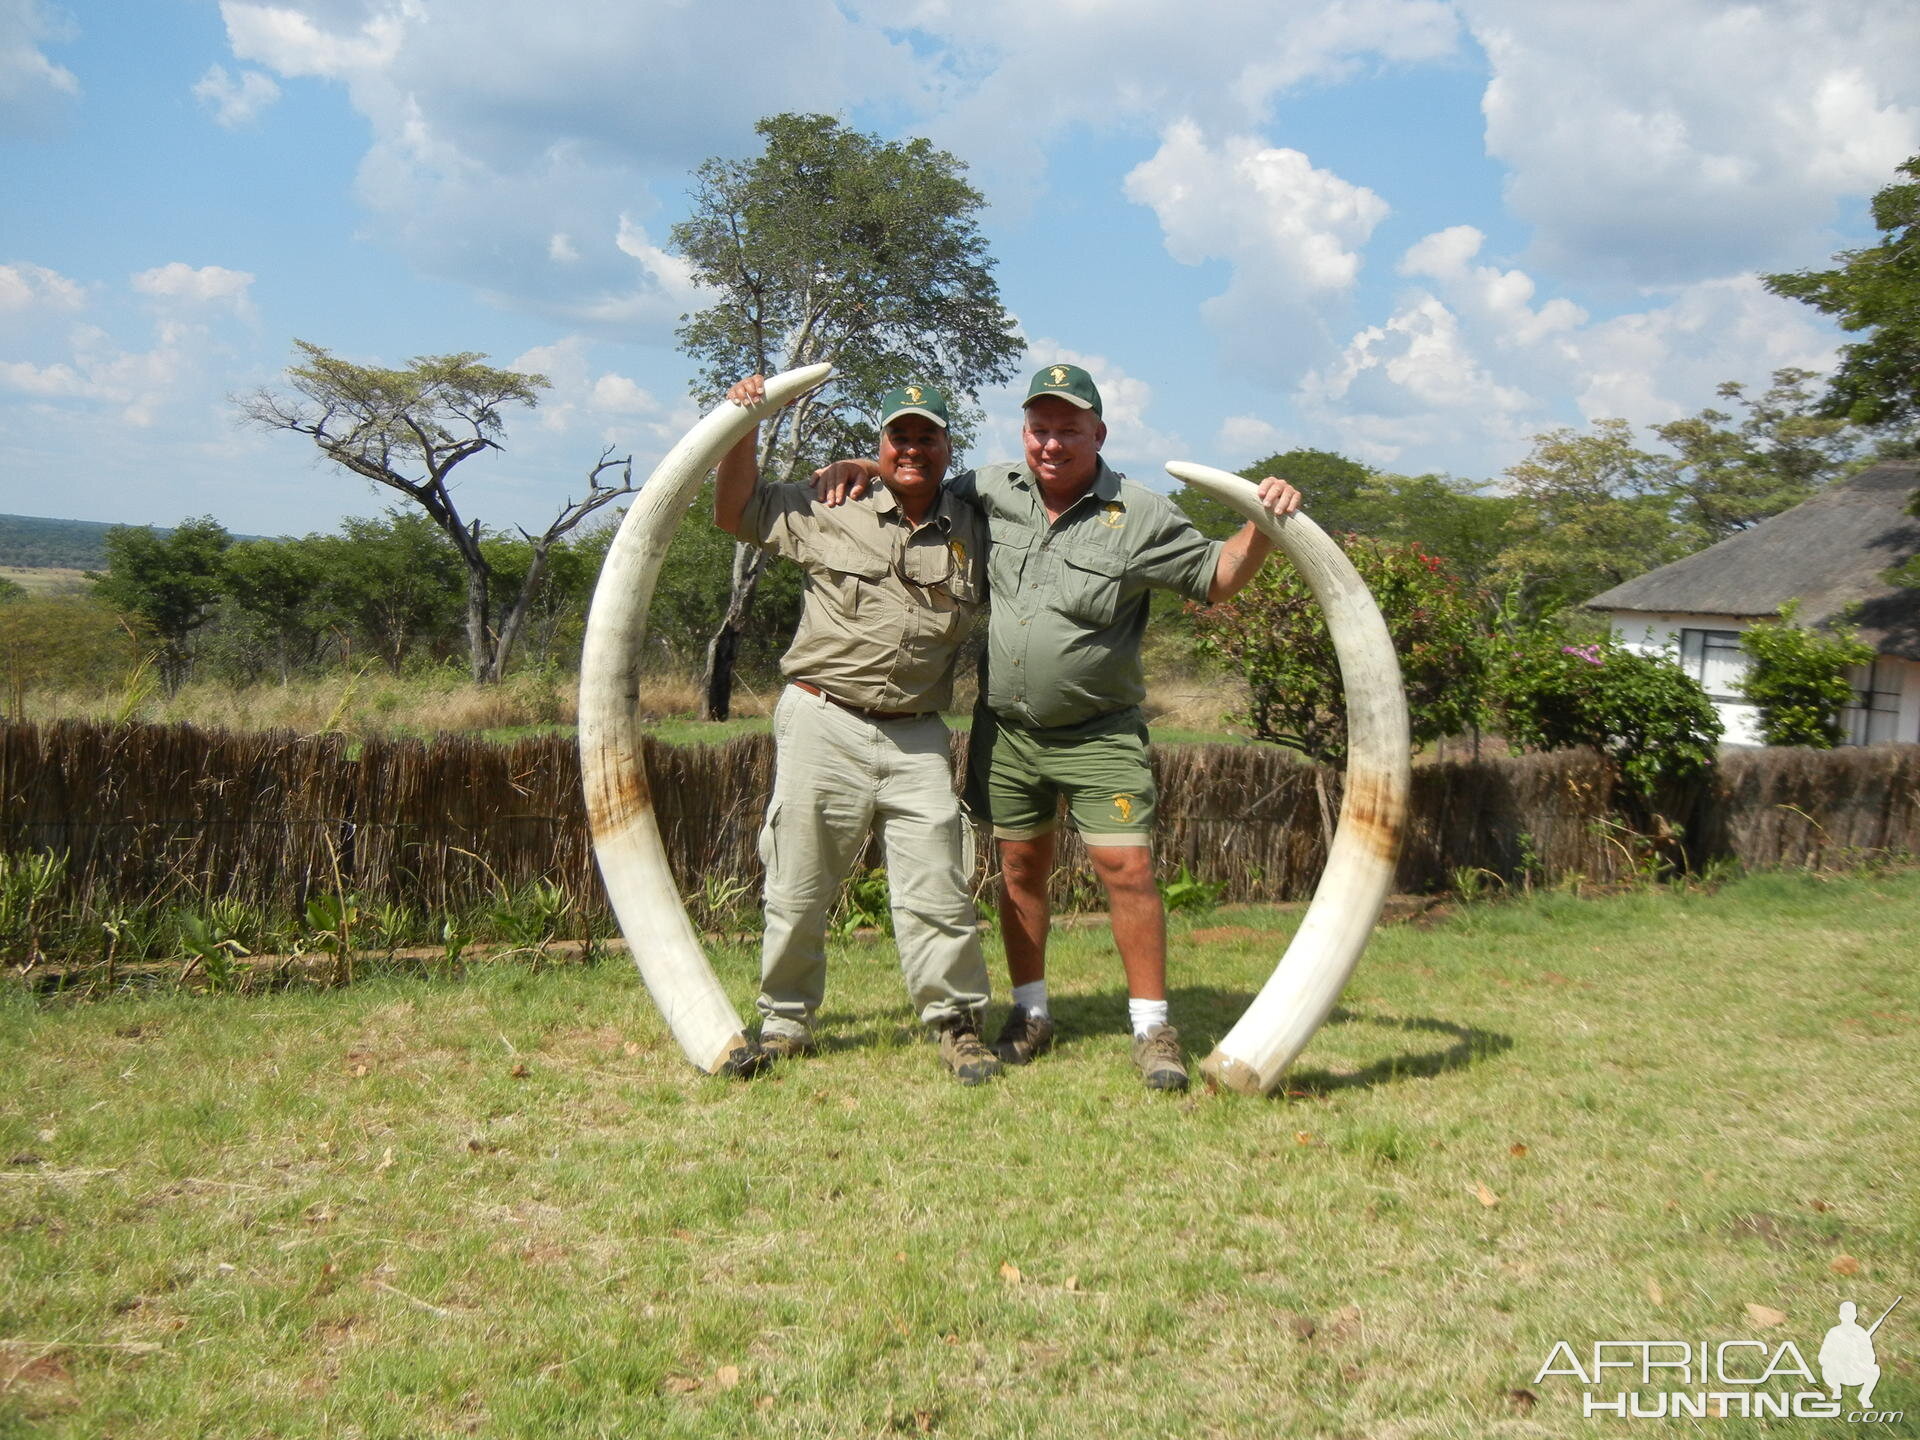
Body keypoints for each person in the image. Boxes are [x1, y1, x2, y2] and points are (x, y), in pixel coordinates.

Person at [817, 362, 1300, 1090]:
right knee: (1019, 871)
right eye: (1040, 428)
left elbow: (1218, 577)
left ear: (1098, 433)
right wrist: (862, 464)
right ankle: (1031, 1012)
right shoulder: (991, 490)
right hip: (1008, 732)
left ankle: (1152, 1028)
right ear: (1025, 433)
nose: (1051, 443)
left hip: (1101, 733)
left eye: (1068, 429)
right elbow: (915, 474)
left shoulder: (1139, 513)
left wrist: (1262, 519)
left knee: (1127, 870)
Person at [715, 374, 1002, 1084]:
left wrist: (877, 467)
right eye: (897, 437)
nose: (912, 448)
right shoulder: (827, 502)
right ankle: (784, 1023)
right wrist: (743, 424)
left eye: (925, 436)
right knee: (798, 882)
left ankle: (956, 1025)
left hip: (918, 734)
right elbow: (734, 511)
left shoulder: (976, 522)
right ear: (880, 441)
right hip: (824, 719)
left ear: (946, 444)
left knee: (940, 880)